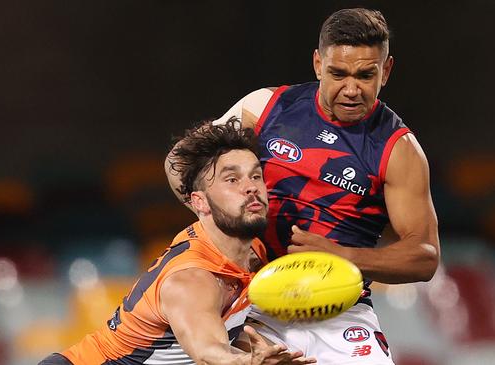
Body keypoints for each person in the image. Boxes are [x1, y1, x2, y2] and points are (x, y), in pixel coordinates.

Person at [166, 8, 440, 364]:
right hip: (251, 301)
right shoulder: (265, 107)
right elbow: (181, 162)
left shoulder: (399, 150)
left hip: (340, 309)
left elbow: (424, 257)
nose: (351, 89)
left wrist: (343, 256)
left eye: (365, 75)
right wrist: (224, 231)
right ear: (317, 64)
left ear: (385, 71)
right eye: (338, 74)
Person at [40, 120, 314, 365]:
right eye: (232, 179)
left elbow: (234, 330)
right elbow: (208, 352)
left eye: (255, 176)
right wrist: (245, 362)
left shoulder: (253, 248)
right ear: (199, 202)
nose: (251, 186)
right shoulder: (191, 280)